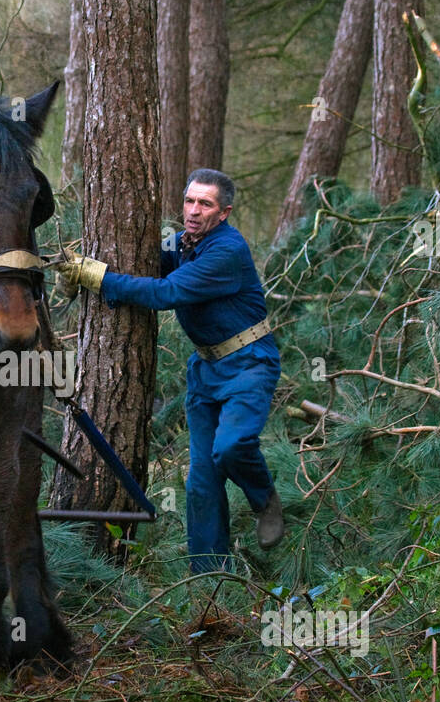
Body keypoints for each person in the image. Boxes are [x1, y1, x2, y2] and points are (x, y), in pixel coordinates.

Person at [59, 168, 284, 571]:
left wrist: (98, 277)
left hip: (249, 364)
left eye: (205, 204)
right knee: (201, 482)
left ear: (224, 212)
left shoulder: (226, 251)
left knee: (231, 447)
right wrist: (80, 264)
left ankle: (265, 500)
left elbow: (168, 292)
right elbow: (154, 261)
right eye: (190, 201)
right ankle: (208, 579)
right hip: (205, 370)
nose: (194, 211)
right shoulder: (183, 241)